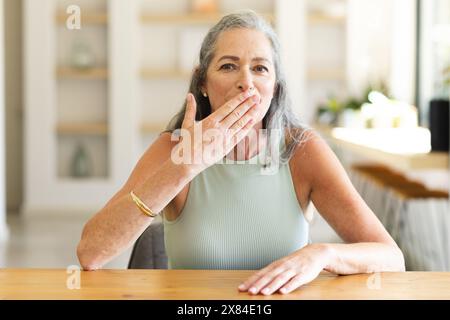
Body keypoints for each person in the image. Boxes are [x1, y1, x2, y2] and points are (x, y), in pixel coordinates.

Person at [77, 10, 405, 296]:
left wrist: (323, 255)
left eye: (260, 68)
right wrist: (182, 167)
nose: (246, 83)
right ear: (202, 81)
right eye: (229, 66)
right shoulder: (172, 148)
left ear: (275, 86)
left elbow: (391, 258)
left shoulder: (302, 150)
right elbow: (90, 252)